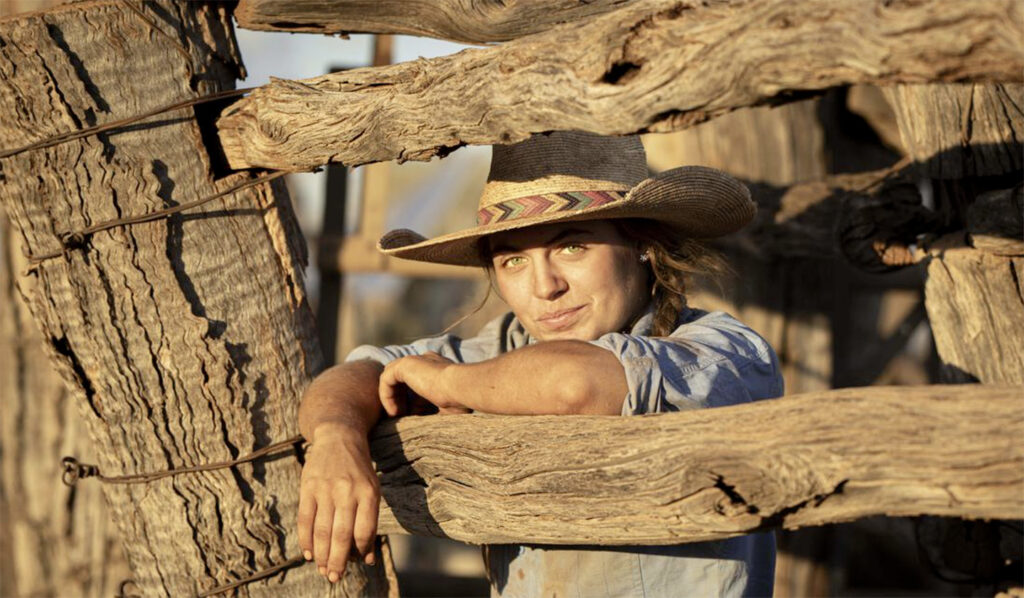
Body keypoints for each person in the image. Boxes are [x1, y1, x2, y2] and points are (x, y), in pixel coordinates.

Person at [297, 131, 783, 597]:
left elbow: (575, 383)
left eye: (572, 247)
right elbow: (354, 374)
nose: (545, 287)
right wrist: (336, 436)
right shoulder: (500, 351)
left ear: (643, 247)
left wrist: (446, 381)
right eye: (512, 261)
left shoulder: (721, 350)